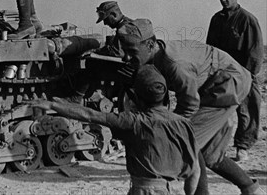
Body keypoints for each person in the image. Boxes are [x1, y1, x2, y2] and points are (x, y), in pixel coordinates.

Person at [118, 18, 262, 195]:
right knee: (211, 155)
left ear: (150, 44)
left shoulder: (175, 64)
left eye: (131, 52)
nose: (126, 57)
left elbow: (189, 104)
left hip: (227, 86)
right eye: (124, 52)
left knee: (190, 142)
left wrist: (168, 128)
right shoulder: (155, 57)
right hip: (213, 89)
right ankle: (251, 189)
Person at [29, 65, 200, 195]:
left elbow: (90, 115)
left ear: (137, 98)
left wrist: (52, 104)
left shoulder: (135, 122)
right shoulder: (184, 124)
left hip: (146, 190)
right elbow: (195, 171)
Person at [207, 0, 264, 162]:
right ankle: (215, 146)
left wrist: (248, 76)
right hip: (223, 73)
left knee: (248, 110)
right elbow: (211, 49)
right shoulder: (216, 20)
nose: (223, 0)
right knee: (217, 109)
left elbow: (255, 51)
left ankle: (243, 146)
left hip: (245, 71)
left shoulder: (248, 20)